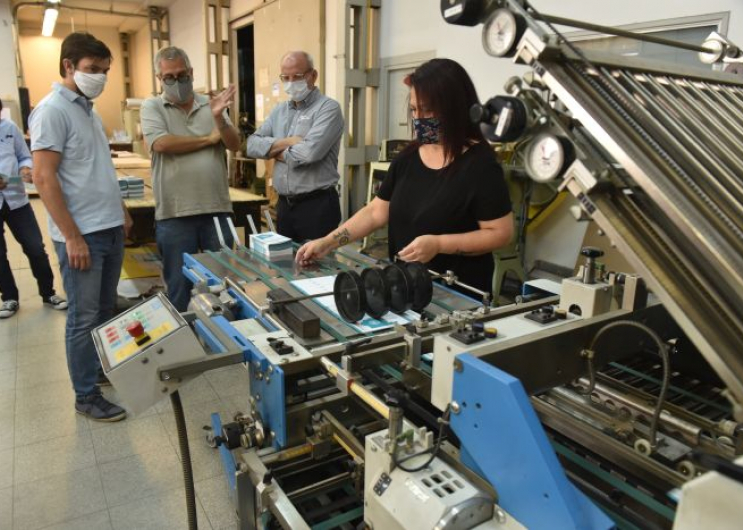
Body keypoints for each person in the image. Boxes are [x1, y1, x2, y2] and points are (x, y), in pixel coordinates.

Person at [296, 58, 513, 296]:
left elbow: (500, 233)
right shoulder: (407, 158)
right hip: (405, 288)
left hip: (457, 295)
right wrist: (328, 242)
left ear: (456, 107)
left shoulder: (480, 165)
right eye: (413, 110)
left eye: (428, 109)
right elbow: (375, 212)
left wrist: (440, 245)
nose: (419, 118)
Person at [30, 32, 132, 422]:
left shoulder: (87, 109)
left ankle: (99, 371)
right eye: (92, 70)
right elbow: (44, 178)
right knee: (84, 316)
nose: (100, 78)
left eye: (105, 71)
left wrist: (120, 207)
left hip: (106, 227)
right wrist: (72, 236)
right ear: (68, 66)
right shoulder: (52, 110)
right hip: (83, 234)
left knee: (105, 309)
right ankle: (85, 395)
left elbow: (96, 167)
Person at [140, 46, 240, 311]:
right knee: (178, 285)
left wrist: (220, 119)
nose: (176, 81)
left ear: (191, 73)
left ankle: (225, 342)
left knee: (223, 284)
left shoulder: (211, 105)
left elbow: (234, 144)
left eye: (181, 75)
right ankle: (186, 342)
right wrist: (208, 138)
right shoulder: (152, 106)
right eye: (169, 77)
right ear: (159, 78)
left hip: (217, 209)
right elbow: (161, 143)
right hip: (174, 213)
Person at [246, 51, 343, 242]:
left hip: (317, 206)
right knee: (286, 265)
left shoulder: (328, 108)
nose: (290, 83)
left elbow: (308, 153)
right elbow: (251, 145)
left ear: (313, 75)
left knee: (319, 268)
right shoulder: (279, 111)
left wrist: (271, 151)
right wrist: (288, 142)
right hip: (284, 206)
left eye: (297, 76)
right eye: (285, 77)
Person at [0, 99, 67, 318]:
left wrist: (25, 168)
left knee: (35, 248)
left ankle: (48, 293)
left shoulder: (9, 129)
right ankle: (9, 298)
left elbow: (24, 155)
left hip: (16, 199)